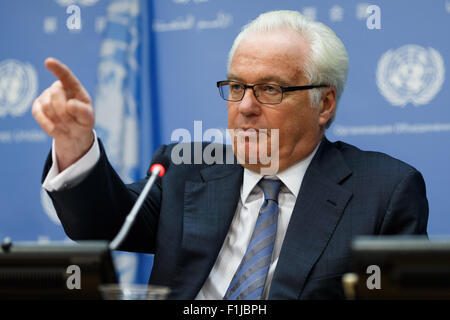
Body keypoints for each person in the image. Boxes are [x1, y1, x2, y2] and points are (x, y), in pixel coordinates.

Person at [33, 10, 428, 299]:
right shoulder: (188, 168)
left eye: (270, 89)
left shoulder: (384, 190)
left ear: (323, 104)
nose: (245, 107)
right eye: (236, 87)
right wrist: (74, 142)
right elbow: (100, 222)